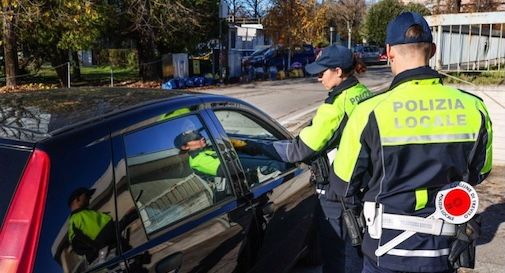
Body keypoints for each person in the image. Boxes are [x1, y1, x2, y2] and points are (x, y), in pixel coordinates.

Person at [329, 12, 493, 273]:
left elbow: (343, 184)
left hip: (385, 252)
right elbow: (480, 172)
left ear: (388, 51)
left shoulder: (369, 111)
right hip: (444, 250)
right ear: (433, 50)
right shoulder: (474, 108)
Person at [267, 44, 372, 273]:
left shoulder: (336, 106)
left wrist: (259, 148)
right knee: (356, 249)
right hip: (362, 184)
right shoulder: (362, 94)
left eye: (321, 72)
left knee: (339, 257)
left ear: (338, 71)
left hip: (337, 193)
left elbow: (298, 151)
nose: (317, 78)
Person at [67, 187, 116, 263]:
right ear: (77, 199)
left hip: (119, 252)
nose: (90, 198)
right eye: (86, 195)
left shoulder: (87, 213)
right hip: (112, 258)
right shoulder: (76, 220)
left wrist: (127, 217)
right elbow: (81, 247)